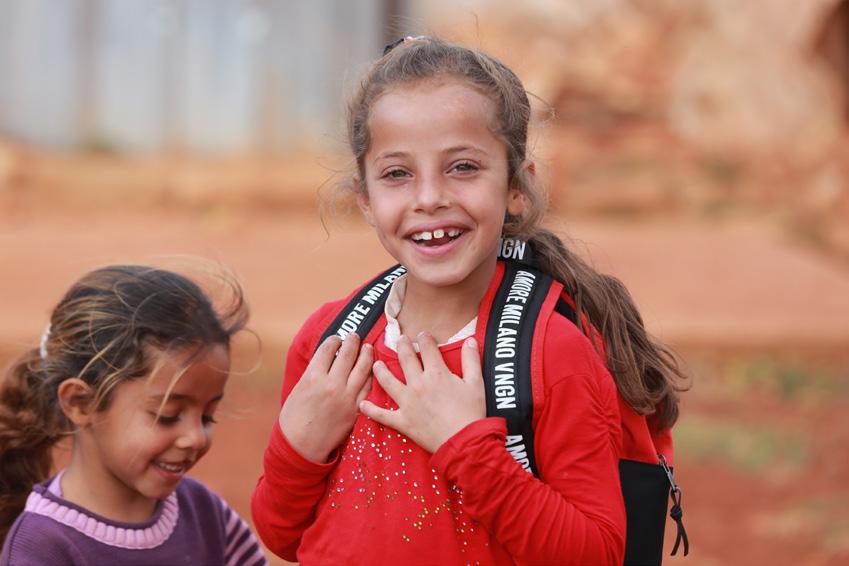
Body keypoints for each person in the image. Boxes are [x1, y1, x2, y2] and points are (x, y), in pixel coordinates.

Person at [252, 36, 687, 565]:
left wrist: (467, 447)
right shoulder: (333, 345)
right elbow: (281, 533)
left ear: (516, 187)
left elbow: (597, 553)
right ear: (364, 198)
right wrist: (296, 449)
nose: (430, 197)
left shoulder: (551, 353)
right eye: (397, 174)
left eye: (463, 167)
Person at [0, 265, 267, 566]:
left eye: (207, 416)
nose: (194, 437)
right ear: (80, 403)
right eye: (167, 415)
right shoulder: (41, 546)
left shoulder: (203, 511)